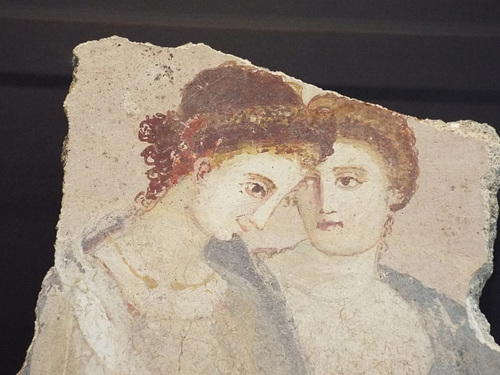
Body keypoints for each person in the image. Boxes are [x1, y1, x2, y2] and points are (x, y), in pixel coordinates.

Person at [20, 63, 335, 375]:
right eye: (256, 188)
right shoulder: (84, 290)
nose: (262, 220)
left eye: (281, 200)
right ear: (204, 168)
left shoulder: (239, 294)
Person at [265, 93, 500, 374]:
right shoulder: (251, 287)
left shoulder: (439, 316)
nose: (325, 203)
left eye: (347, 181)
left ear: (394, 190)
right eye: (308, 180)